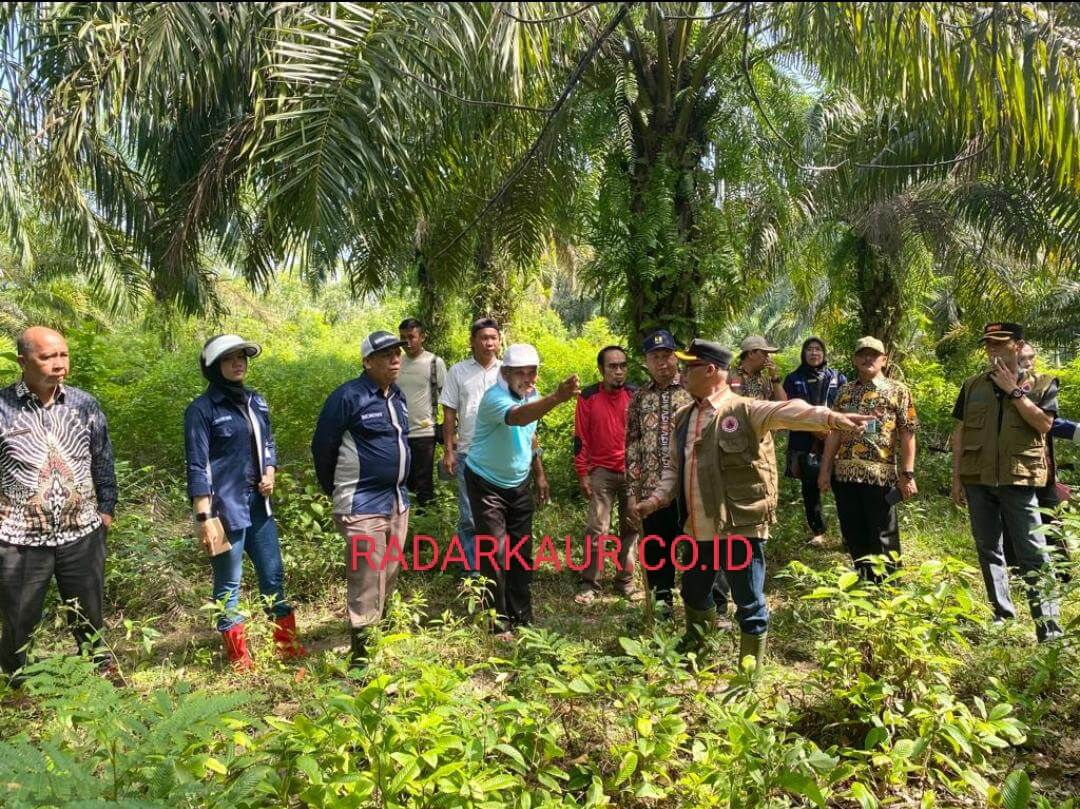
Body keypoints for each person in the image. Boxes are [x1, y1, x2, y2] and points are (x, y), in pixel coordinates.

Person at [635, 339, 872, 675]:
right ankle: (698, 657)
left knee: (748, 601)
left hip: (739, 524)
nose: (683, 374)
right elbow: (675, 470)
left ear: (711, 370)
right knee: (693, 591)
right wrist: (656, 499)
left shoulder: (745, 409)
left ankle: (749, 677)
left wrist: (831, 417)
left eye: (690, 367)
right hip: (699, 527)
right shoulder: (683, 417)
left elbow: (788, 412)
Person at [0, 327, 117, 683]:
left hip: (81, 532)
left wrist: (106, 510)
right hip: (20, 538)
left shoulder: (84, 404)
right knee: (19, 617)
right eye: (48, 357)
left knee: (89, 614)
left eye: (63, 355)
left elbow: (102, 460)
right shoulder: (2, 407)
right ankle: (16, 681)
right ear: (23, 361)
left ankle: (99, 673)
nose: (59, 364)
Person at [184, 334, 305, 670]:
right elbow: (198, 466)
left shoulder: (256, 401)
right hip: (223, 512)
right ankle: (240, 661)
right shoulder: (201, 410)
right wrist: (203, 517)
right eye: (228, 358)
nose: (238, 363)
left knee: (273, 576)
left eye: (242, 357)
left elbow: (268, 443)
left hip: (258, 507)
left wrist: (270, 471)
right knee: (228, 586)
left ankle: (287, 648)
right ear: (212, 367)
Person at [950, 322, 1062, 643]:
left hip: (1018, 479)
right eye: (989, 344)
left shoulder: (1041, 385)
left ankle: (1050, 629)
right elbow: (960, 434)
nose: (993, 350)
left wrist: (1014, 391)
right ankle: (1002, 615)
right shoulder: (972, 386)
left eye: (1000, 343)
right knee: (988, 549)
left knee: (1033, 553)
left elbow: (1043, 425)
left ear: (1018, 345)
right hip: (978, 478)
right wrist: (956, 478)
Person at [464, 344, 578, 638]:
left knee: (521, 553)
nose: (528, 379)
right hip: (485, 482)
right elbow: (519, 418)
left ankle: (522, 619)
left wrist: (539, 473)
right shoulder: (494, 399)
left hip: (518, 483)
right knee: (495, 553)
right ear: (505, 373)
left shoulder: (533, 397)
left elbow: (530, 433)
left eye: (532, 373)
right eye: (521, 373)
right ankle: (497, 623)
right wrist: (556, 398)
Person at [312, 330, 411, 664]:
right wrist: (337, 491)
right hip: (361, 503)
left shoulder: (397, 396)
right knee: (367, 577)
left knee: (389, 571)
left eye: (397, 353)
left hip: (397, 502)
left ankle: (378, 636)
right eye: (386, 355)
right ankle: (363, 658)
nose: (395, 359)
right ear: (367, 362)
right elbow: (322, 448)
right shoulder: (347, 397)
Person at [817, 337, 918, 581]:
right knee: (853, 531)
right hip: (846, 475)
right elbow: (835, 434)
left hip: (880, 475)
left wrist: (907, 474)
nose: (867, 358)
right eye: (862, 354)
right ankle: (864, 580)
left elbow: (908, 432)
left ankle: (889, 587)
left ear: (884, 359)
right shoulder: (845, 391)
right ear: (855, 359)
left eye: (873, 354)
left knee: (882, 533)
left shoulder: (898, 390)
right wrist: (824, 470)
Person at [624, 330, 693, 619]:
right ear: (646, 362)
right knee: (657, 554)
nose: (662, 363)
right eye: (655, 358)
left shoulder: (692, 392)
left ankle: (704, 611)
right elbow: (631, 445)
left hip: (691, 489)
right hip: (651, 491)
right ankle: (662, 611)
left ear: (676, 357)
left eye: (666, 356)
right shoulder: (639, 397)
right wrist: (632, 492)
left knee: (696, 553)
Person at [574, 345, 641, 604]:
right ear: (601, 370)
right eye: (612, 366)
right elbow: (581, 437)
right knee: (596, 527)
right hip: (601, 471)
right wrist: (583, 473)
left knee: (631, 527)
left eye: (623, 365)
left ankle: (625, 581)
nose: (619, 371)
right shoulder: (588, 396)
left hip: (632, 471)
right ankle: (590, 583)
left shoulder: (635, 395)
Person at [1002, 344, 1071, 580]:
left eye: (1032, 357)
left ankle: (1061, 575)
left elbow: (1049, 422)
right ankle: (1019, 576)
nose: (1029, 361)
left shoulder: (1042, 384)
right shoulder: (998, 385)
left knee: (1051, 521)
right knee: (1015, 526)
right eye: (1023, 357)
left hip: (1044, 470)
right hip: (1014, 470)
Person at [440, 318, 502, 574]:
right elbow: (449, 414)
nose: (489, 343)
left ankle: (498, 565)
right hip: (468, 453)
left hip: (501, 455)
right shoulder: (458, 371)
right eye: (484, 338)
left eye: (493, 338)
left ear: (499, 341)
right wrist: (448, 451)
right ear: (472, 341)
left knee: (499, 513)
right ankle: (473, 571)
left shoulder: (507, 371)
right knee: (469, 516)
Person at [783, 337, 846, 546]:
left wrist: (830, 431)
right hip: (804, 442)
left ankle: (848, 533)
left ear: (824, 353)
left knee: (842, 488)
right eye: (809, 349)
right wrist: (814, 429)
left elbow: (846, 409)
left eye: (818, 349)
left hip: (834, 440)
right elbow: (789, 410)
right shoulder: (793, 379)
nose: (814, 353)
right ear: (803, 353)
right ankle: (818, 532)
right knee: (810, 489)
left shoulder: (837, 377)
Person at [397, 318, 446, 510]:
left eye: (411, 337)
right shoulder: (396, 362)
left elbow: (448, 398)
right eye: (402, 338)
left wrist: (452, 433)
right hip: (398, 433)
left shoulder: (434, 362)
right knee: (401, 481)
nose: (407, 342)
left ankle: (426, 531)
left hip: (424, 433)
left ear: (422, 337)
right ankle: (406, 528)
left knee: (423, 483)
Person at [729, 335, 787, 403]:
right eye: (765, 353)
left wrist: (774, 378)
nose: (768, 358)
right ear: (751, 354)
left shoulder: (765, 379)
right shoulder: (732, 376)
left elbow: (783, 403)